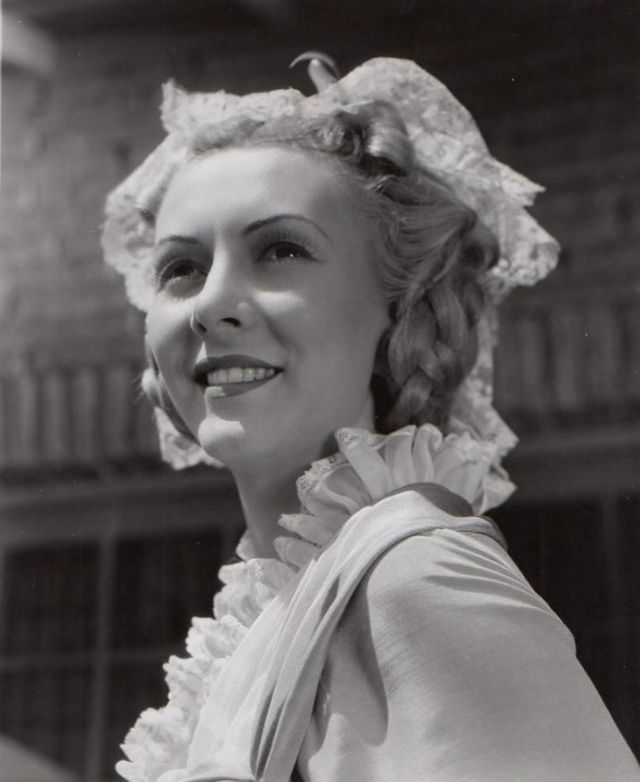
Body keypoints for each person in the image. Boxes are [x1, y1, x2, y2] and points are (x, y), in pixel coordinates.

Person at [101, 55, 640, 782]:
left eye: (280, 250)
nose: (210, 304)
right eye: (181, 269)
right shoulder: (279, 613)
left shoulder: (416, 579)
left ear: (401, 312)